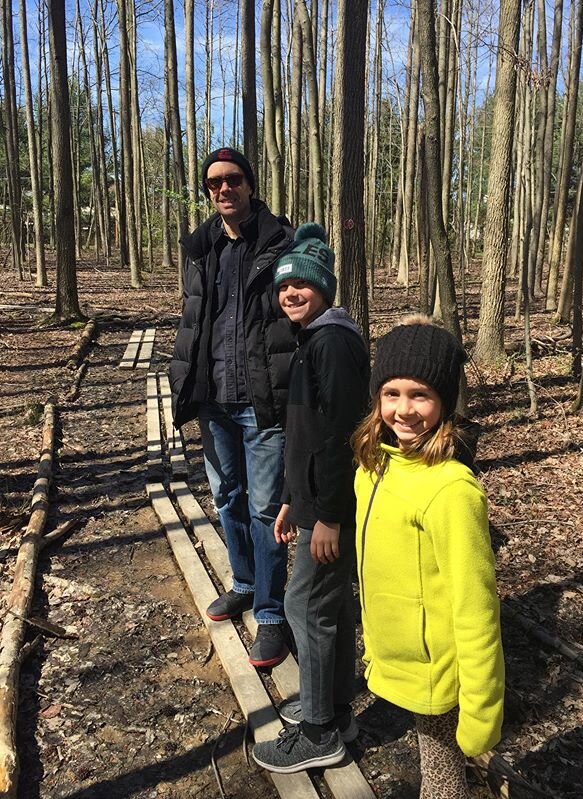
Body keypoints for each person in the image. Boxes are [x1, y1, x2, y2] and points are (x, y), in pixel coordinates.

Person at [351, 316, 504, 799]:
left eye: (420, 395)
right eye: (392, 393)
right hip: (402, 657)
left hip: (438, 668)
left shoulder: (451, 490)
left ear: (444, 400)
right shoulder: (377, 465)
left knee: (441, 781)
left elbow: (477, 609)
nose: (404, 410)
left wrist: (481, 710)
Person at [169, 147, 296, 668]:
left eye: (233, 180)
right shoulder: (203, 249)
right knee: (228, 498)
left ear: (250, 185)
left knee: (267, 510)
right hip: (213, 401)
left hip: (262, 403)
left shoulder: (280, 243)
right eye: (214, 183)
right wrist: (186, 383)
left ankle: (270, 612)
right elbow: (195, 323)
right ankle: (244, 583)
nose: (223, 189)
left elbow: (298, 316)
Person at [251, 224, 370, 773]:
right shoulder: (312, 340)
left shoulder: (332, 343)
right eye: (283, 288)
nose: (291, 293)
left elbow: (341, 436)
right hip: (317, 504)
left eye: (302, 285)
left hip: (333, 509)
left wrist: (326, 516)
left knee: (305, 605)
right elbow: (305, 440)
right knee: (332, 606)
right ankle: (337, 709)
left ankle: (319, 729)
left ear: (325, 289)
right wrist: (290, 503)